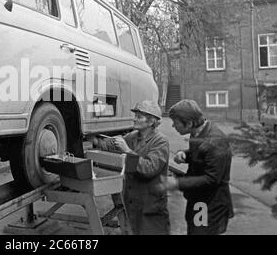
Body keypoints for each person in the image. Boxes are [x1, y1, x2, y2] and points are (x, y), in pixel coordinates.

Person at [92, 100, 170, 235]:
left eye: (139, 117)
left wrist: (127, 150)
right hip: (134, 198)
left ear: (151, 121)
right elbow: (111, 145)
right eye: (135, 116)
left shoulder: (160, 141)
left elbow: (149, 168)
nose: (134, 119)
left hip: (152, 201)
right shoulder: (133, 136)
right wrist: (95, 140)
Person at [166, 100, 234, 235]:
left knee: (199, 231)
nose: (173, 125)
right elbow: (201, 154)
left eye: (176, 122)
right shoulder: (198, 132)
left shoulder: (215, 142)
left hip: (210, 204)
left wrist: (178, 183)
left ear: (189, 123)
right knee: (194, 229)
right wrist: (184, 154)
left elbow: (212, 179)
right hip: (199, 199)